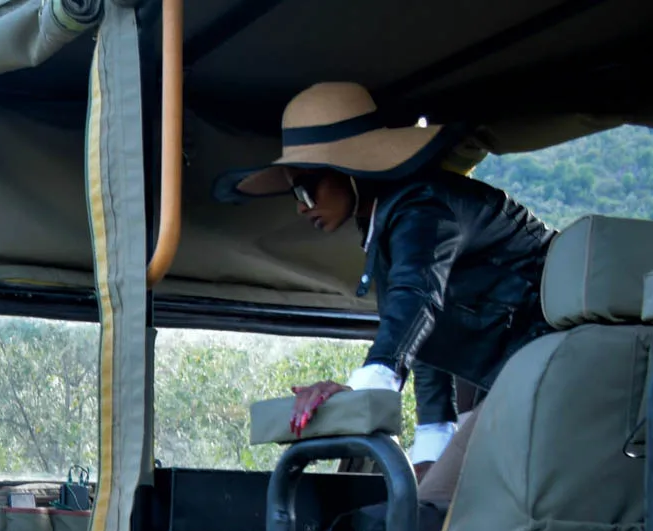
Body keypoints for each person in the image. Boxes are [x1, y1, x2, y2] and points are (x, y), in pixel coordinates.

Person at [221, 82, 555, 473]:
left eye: (306, 190)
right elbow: (428, 332)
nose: (301, 207)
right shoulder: (387, 225)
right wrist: (432, 440)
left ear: (348, 171)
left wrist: (364, 389)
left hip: (542, 360)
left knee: (435, 501)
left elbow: (418, 297)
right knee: (426, 494)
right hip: (505, 371)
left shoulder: (424, 206)